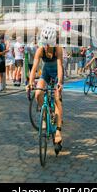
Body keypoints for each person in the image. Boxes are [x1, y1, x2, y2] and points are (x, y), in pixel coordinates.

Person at [26, 26, 64, 154]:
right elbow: (34, 68)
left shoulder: (58, 50)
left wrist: (59, 82)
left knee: (57, 99)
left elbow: (59, 66)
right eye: (45, 44)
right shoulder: (40, 50)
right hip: (46, 73)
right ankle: (44, 116)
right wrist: (30, 82)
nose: (46, 47)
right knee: (38, 94)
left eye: (49, 45)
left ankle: (58, 130)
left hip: (56, 74)